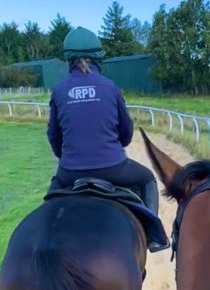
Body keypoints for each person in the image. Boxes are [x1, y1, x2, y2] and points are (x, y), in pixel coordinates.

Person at [47, 26, 160, 215]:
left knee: (48, 203)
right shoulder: (111, 87)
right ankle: (156, 235)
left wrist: (67, 157)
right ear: (98, 57)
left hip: (70, 171)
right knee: (148, 178)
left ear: (69, 59)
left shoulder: (59, 89)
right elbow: (126, 134)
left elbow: (54, 136)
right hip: (113, 166)